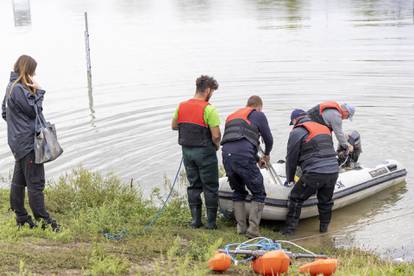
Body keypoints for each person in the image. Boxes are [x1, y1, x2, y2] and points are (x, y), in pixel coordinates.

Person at [2, 55, 60, 231]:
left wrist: (17, 126)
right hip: (29, 144)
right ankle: (44, 221)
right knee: (35, 183)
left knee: (18, 181)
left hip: (18, 142)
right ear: (27, 70)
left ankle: (21, 217)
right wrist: (39, 91)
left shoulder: (11, 87)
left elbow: (4, 113)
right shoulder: (19, 89)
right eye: (32, 71)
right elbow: (33, 111)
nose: (34, 75)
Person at [171, 75, 221, 229]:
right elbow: (216, 135)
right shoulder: (209, 109)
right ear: (207, 90)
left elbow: (174, 126)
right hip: (205, 152)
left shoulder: (181, 106)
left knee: (193, 185)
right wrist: (217, 145)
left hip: (187, 152)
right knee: (210, 186)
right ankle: (211, 223)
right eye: (212, 91)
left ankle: (195, 221)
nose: (211, 94)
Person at [221, 95, 273, 238]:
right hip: (243, 156)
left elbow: (237, 141)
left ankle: (241, 228)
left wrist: (256, 159)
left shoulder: (231, 116)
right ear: (258, 107)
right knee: (259, 193)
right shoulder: (259, 115)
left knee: (238, 191)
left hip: (226, 156)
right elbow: (268, 139)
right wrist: (266, 154)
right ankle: (253, 230)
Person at [281, 109, 339, 235]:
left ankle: (289, 231)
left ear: (295, 120)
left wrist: (290, 179)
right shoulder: (324, 128)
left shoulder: (297, 131)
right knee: (325, 201)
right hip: (333, 170)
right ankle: (324, 230)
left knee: (296, 198)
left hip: (315, 172)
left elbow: (291, 158)